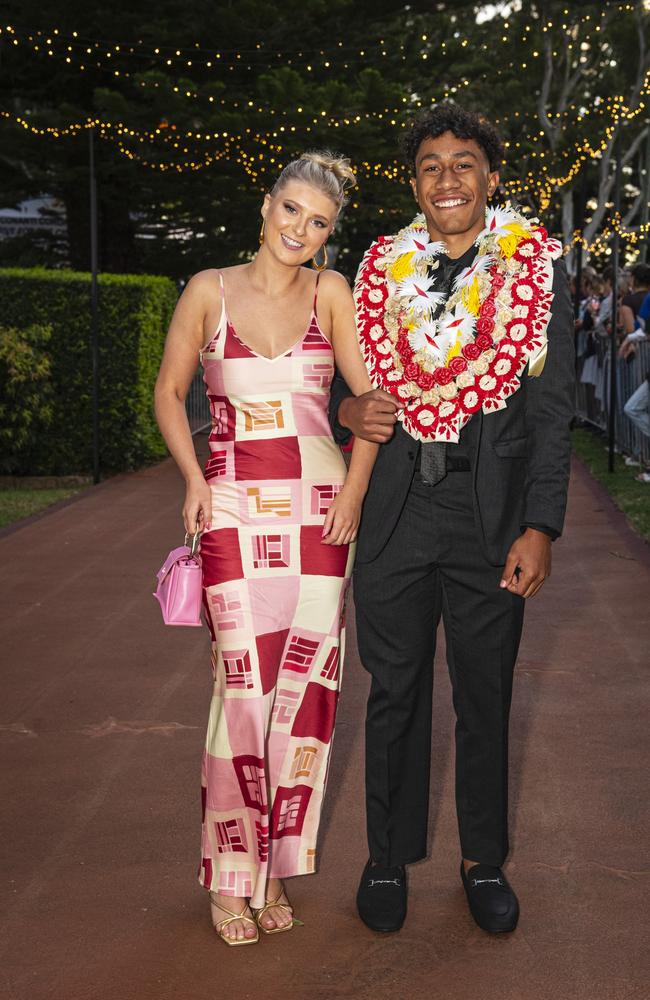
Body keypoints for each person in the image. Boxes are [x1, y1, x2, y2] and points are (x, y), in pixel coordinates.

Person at [329, 105, 575, 934]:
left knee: (484, 693)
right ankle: (387, 860)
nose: (447, 179)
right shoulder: (376, 271)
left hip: (490, 518)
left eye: (464, 163)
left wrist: (541, 525)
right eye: (431, 166)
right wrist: (346, 409)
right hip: (397, 512)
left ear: (492, 177)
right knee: (392, 692)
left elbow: (550, 414)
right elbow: (342, 384)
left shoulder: (535, 270)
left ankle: (482, 862)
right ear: (413, 184)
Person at [154, 152, 377, 946]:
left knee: (307, 701)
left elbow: (366, 403)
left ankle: (276, 865)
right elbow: (168, 390)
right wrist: (191, 481)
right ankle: (229, 872)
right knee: (242, 695)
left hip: (322, 521)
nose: (300, 230)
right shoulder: (208, 291)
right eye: (291, 210)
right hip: (234, 512)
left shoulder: (332, 292)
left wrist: (353, 491)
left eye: (318, 222)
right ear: (266, 204)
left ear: (329, 234)